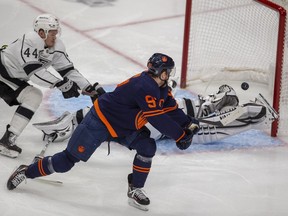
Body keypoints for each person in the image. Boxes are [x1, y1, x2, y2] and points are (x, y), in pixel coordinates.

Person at [6, 53, 200, 211]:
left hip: (124, 127)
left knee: (147, 146)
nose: (169, 75)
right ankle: (27, 171)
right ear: (158, 72)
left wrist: (188, 123)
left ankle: (135, 189)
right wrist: (181, 135)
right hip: (99, 122)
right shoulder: (145, 86)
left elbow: (171, 109)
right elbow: (156, 117)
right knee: (67, 161)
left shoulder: (161, 88)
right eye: (167, 72)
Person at [33, 84, 278, 145]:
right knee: (192, 118)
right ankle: (226, 105)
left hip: (153, 122)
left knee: (198, 127)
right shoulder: (92, 115)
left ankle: (251, 115)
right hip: (156, 119)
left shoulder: (92, 120)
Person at [0, 14, 102, 158]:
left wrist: (88, 88)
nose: (55, 37)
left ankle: (7, 140)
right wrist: (60, 83)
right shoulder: (30, 39)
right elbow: (34, 73)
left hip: (9, 77)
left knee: (33, 96)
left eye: (56, 32)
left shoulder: (56, 46)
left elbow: (68, 70)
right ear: (41, 32)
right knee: (33, 95)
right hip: (3, 71)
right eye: (52, 33)